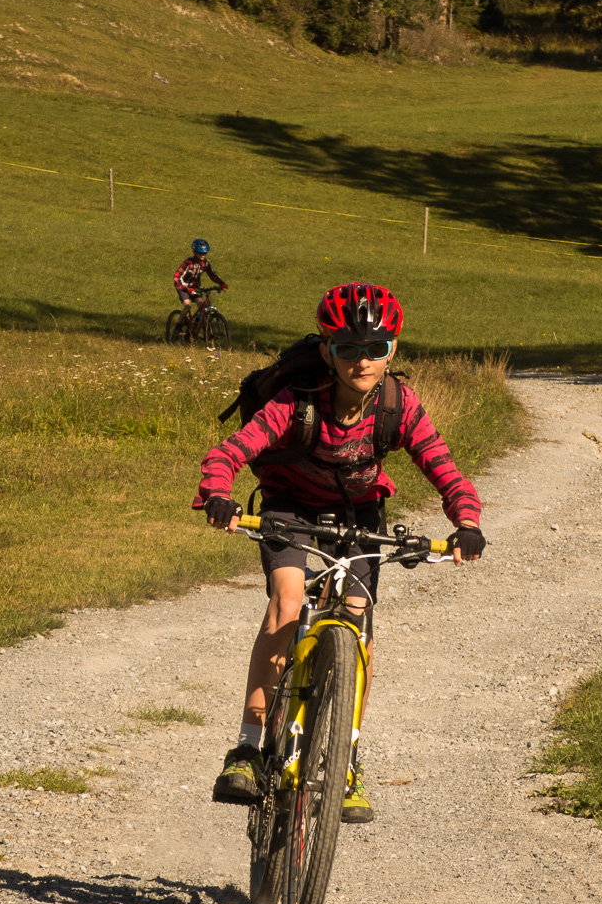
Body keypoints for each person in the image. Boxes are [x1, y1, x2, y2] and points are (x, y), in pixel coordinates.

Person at [192, 281, 486, 825]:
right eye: (347, 348)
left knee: (358, 620)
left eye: (375, 349)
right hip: (288, 508)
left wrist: (466, 522)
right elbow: (232, 450)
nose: (362, 360)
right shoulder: (296, 401)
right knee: (285, 602)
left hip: (359, 517)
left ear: (391, 350)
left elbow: (444, 467)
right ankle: (250, 746)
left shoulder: (399, 404)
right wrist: (217, 494)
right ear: (327, 350)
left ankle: (344, 762)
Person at [174, 239, 227, 316]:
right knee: (187, 306)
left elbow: (212, 275)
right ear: (194, 252)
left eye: (204, 253)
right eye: (200, 253)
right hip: (183, 287)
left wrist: (222, 284)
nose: (202, 255)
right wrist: (186, 288)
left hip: (194, 287)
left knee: (202, 306)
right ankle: (178, 325)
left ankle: (202, 326)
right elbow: (177, 277)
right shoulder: (189, 263)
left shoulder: (205, 263)